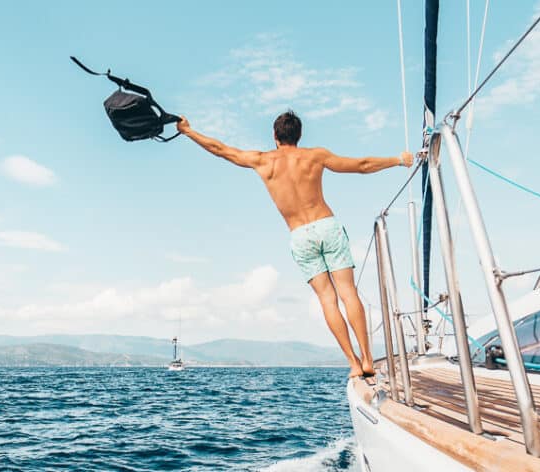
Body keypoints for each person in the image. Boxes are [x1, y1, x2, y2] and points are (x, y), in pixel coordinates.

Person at [177, 111, 413, 378]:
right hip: (326, 225)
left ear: (275, 136)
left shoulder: (262, 161)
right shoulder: (315, 156)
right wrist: (398, 160)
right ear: (299, 136)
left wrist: (188, 131)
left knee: (327, 299)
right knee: (348, 292)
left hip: (300, 234)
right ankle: (369, 359)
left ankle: (354, 364)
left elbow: (219, 149)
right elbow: (362, 164)